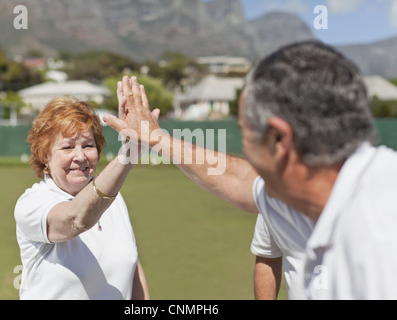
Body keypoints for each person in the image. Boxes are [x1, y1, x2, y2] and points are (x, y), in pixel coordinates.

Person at [104, 41, 397, 299]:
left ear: (279, 140)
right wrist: (156, 138)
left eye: (244, 131)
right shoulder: (298, 192)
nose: (244, 149)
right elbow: (240, 178)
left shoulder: (381, 239)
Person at [14, 95, 151, 300]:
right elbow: (75, 219)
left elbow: (132, 268)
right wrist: (129, 154)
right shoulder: (32, 203)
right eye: (67, 147)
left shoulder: (114, 197)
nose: (80, 156)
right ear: (45, 156)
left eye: (88, 145)